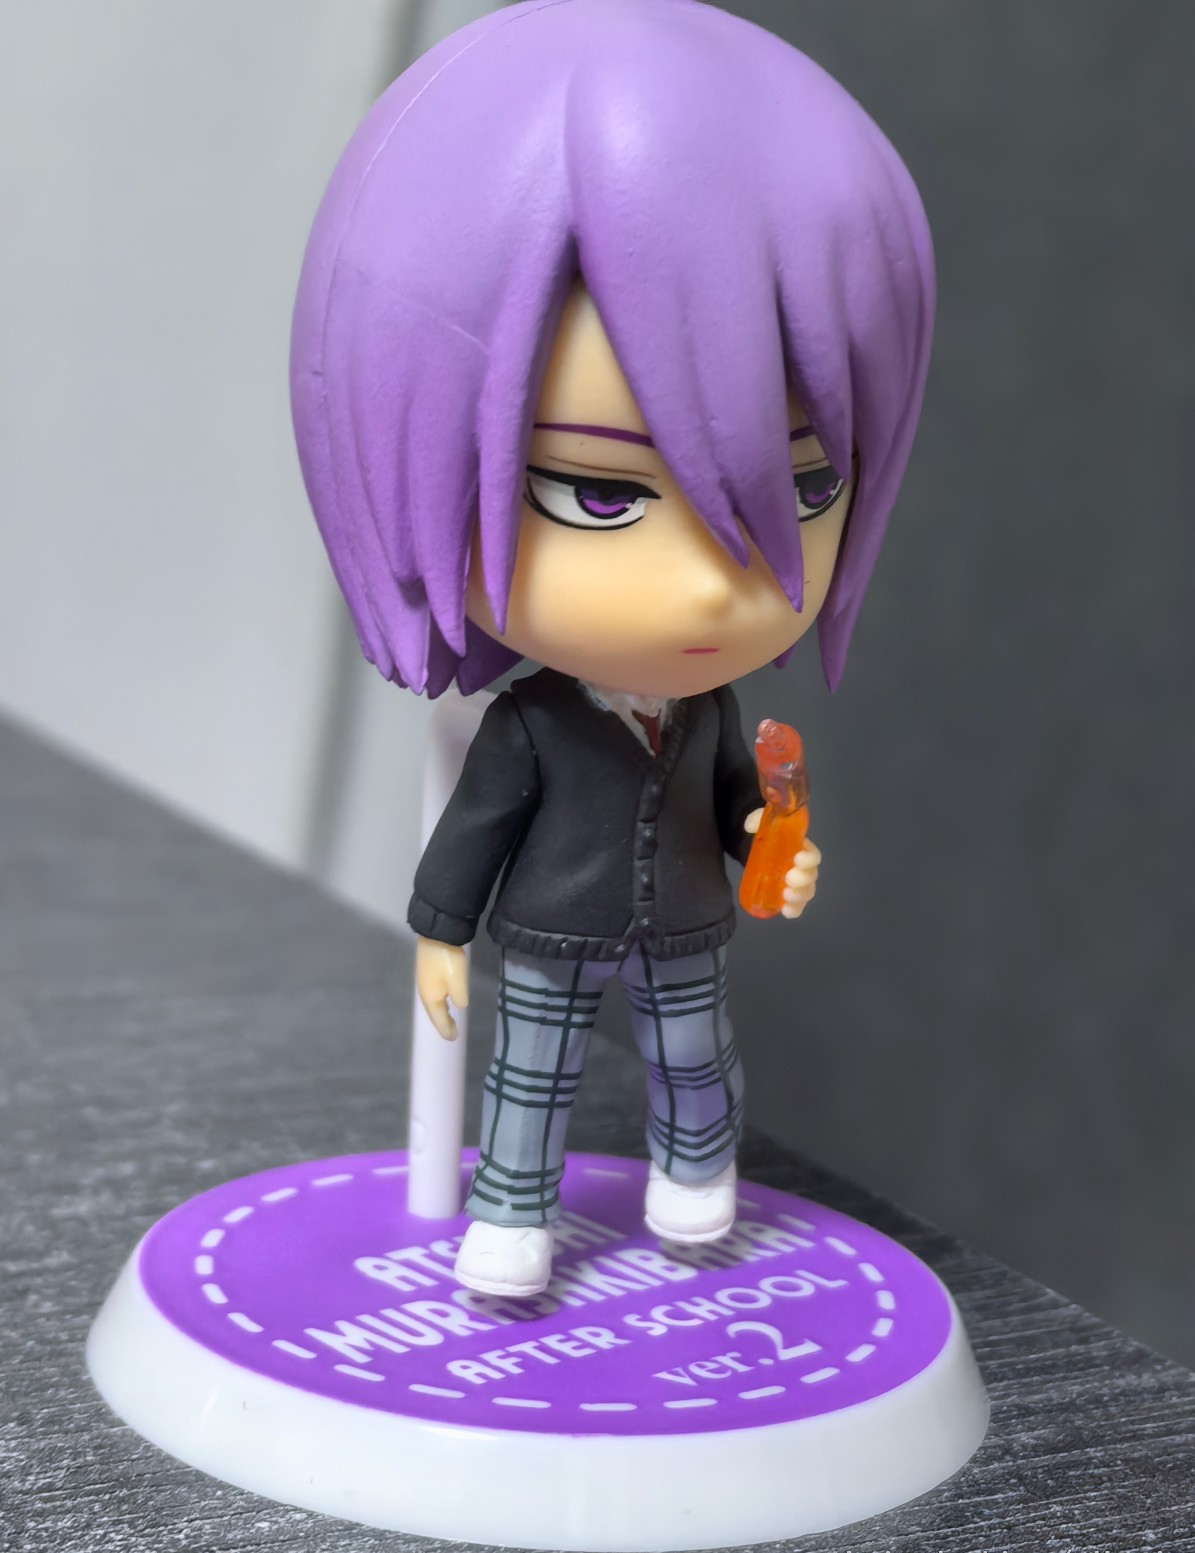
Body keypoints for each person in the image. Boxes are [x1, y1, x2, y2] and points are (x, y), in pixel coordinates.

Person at [290, 0, 934, 1297]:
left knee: (697, 1058)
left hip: (687, 923)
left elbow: (742, 802)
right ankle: (509, 1216)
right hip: (549, 930)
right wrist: (437, 934)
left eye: (805, 488)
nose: (707, 585)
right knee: (531, 1074)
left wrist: (773, 847)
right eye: (597, 493)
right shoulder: (532, 725)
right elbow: (475, 827)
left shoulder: (712, 713)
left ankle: (695, 1177)